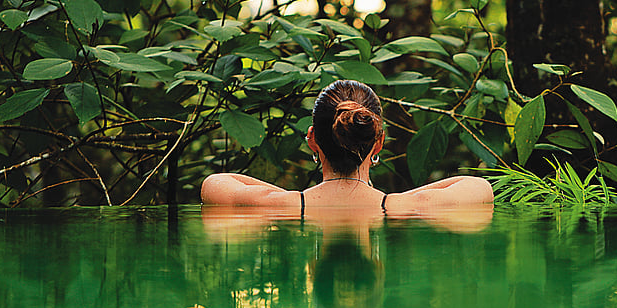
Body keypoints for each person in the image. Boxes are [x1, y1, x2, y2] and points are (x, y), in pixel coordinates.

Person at [200, 79, 494, 214]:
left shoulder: (281, 205)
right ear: (378, 142)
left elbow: (216, 183)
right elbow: (479, 187)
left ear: (312, 138)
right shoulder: (403, 207)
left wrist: (302, 197)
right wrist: (389, 198)